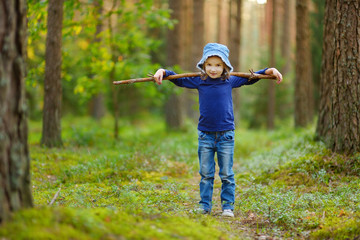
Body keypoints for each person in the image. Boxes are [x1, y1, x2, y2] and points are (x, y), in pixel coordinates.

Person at [153, 43, 282, 217]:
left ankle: (228, 207)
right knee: (206, 173)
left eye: (218, 65)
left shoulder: (230, 80)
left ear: (225, 66)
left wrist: (271, 70)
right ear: (203, 66)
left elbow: (253, 77)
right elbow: (178, 79)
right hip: (205, 135)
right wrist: (163, 71)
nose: (213, 69)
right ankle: (204, 206)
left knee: (227, 173)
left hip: (226, 135)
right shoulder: (200, 80)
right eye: (209, 65)